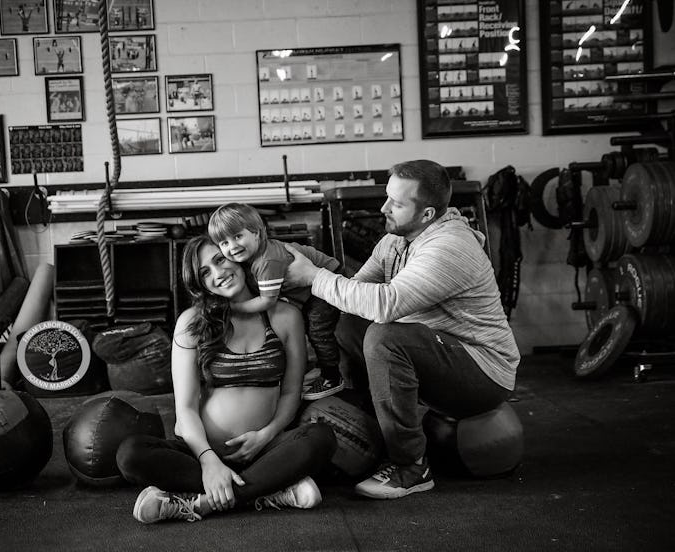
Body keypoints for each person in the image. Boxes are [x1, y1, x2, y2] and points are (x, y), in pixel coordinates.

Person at [284, 159, 520, 500]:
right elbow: (353, 294)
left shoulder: (449, 247)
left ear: (427, 215)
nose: (384, 208)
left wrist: (313, 277)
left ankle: (412, 467)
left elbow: (384, 304)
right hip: (441, 353)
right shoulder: (396, 240)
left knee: (386, 337)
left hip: (484, 374)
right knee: (348, 320)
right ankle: (373, 426)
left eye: (396, 203)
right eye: (386, 197)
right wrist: (300, 279)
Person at [116, 236, 337, 524]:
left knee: (321, 438)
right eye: (205, 272)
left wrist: (266, 435)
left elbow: (291, 392)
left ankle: (200, 502)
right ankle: (268, 491)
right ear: (200, 284)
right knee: (130, 454)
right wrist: (208, 460)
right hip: (202, 451)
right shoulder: (192, 322)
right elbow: (185, 408)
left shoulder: (285, 315)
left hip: (266, 449)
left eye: (220, 260)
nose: (218, 274)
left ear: (239, 258)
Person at [208, 203, 345, 401]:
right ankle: (322, 367)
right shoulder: (255, 255)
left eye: (237, 236)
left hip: (327, 281)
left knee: (318, 331)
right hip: (308, 287)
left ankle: (332, 376)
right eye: (224, 243)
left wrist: (234, 307)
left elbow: (266, 301)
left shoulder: (267, 261)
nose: (232, 246)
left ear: (256, 233)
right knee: (304, 324)